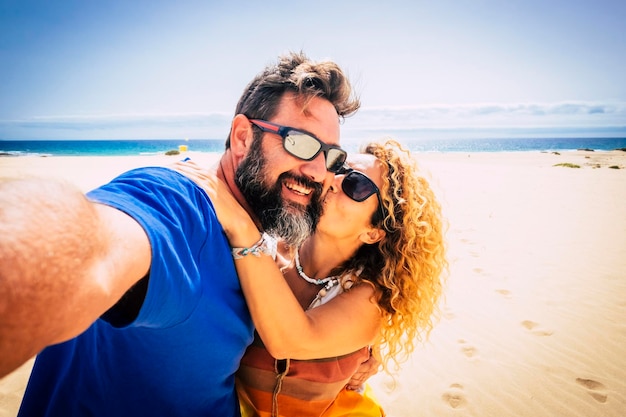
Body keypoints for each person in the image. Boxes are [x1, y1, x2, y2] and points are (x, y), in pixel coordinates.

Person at [0, 51, 360, 416]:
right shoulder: (182, 205)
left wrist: (353, 356)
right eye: (300, 142)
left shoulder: (256, 241)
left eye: (331, 156)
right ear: (241, 138)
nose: (317, 171)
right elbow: (85, 244)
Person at [179, 139, 447, 416]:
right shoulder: (268, 244)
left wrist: (243, 229)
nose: (333, 180)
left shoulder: (370, 298)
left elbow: (292, 340)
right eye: (338, 168)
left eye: (355, 185)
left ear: (373, 232)